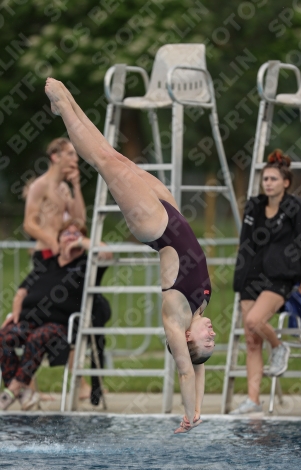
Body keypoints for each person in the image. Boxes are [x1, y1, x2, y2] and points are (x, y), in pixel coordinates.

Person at [44, 77, 216, 434]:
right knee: (111, 155)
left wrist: (187, 416)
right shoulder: (200, 307)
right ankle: (66, 102)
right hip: (171, 212)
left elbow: (186, 369)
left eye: (207, 339)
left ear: (186, 339)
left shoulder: (176, 317)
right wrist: (200, 407)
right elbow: (199, 368)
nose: (213, 333)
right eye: (213, 339)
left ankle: (63, 102)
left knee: (103, 159)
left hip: (154, 225)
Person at [231, 149, 301, 415]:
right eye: (265, 178)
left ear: (285, 182)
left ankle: (280, 347)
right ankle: (253, 400)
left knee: (255, 321)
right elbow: (245, 242)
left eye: (273, 179)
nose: (267, 183)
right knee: (252, 340)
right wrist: (239, 278)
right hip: (250, 277)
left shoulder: (296, 208)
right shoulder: (254, 206)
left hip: (279, 276)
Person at [0, 219, 112, 411]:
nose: (71, 237)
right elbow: (21, 292)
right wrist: (14, 316)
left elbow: (106, 254)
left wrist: (78, 242)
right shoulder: (46, 264)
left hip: (62, 325)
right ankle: (24, 392)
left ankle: (11, 391)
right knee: (4, 337)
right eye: (66, 234)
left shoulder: (87, 264)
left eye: (76, 233)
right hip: (30, 319)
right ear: (58, 240)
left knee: (38, 337)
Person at [23, 137, 86, 262]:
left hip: (63, 252)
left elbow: (80, 220)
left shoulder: (64, 187)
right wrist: (51, 242)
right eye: (70, 154)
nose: (76, 159)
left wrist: (76, 186)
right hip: (46, 251)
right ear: (55, 157)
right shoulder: (40, 185)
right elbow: (29, 224)